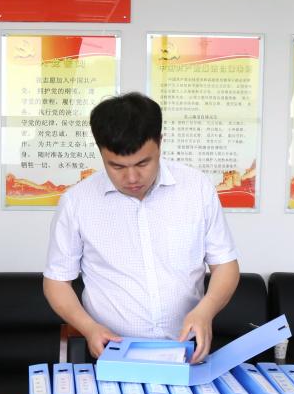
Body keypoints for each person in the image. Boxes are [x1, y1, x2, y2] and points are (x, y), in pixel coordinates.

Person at [43, 92, 239, 363]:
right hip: (112, 351)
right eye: (117, 166)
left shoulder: (197, 188)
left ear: (160, 142)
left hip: (186, 349)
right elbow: (56, 281)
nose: (132, 177)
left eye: (143, 163)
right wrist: (89, 328)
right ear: (100, 151)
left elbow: (225, 265)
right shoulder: (77, 202)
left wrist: (206, 311)